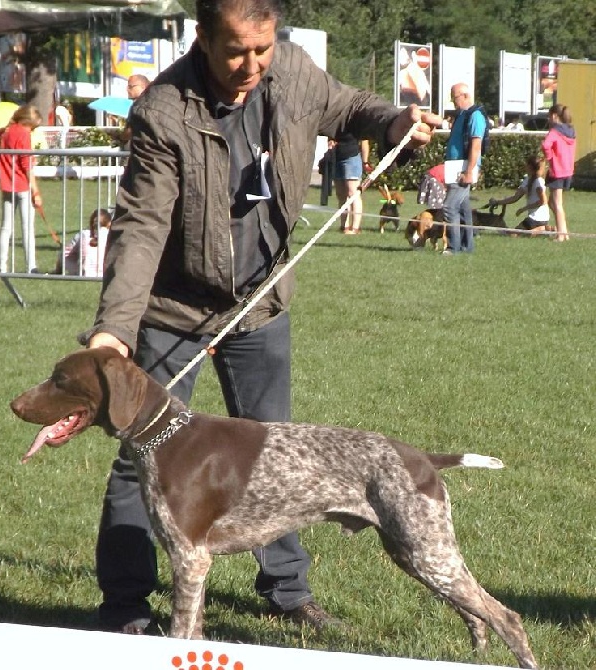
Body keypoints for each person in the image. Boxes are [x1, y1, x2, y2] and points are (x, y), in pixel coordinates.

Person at [80, 0, 439, 636]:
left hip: (260, 303)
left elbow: (352, 106)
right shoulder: (164, 110)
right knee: (143, 453)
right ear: (202, 39)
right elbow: (138, 229)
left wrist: (394, 121)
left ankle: (287, 590)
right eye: (236, 50)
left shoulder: (294, 72)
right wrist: (115, 329)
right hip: (173, 309)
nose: (251, 64)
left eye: (262, 49)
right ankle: (127, 604)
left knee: (277, 452)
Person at [0, 104, 43, 273]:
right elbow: (26, 164)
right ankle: (31, 266)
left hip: (7, 184)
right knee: (27, 227)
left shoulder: (5, 132)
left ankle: (1, 266)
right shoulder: (23, 134)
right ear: (27, 122)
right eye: (33, 127)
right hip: (22, 185)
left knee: (5, 227)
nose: (32, 130)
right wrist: (35, 191)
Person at [442, 82, 486, 254]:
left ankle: (453, 248)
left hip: (464, 168)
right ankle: (467, 247)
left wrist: (469, 172)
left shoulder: (475, 116)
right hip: (455, 166)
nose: (453, 102)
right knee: (462, 209)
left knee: (449, 207)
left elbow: (476, 145)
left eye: (455, 98)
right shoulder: (462, 115)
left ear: (465, 96)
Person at [489, 155, 550, 236]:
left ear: (530, 167)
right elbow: (515, 198)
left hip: (537, 218)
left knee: (513, 235)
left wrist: (524, 209)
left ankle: (543, 229)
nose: (525, 166)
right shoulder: (527, 180)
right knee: (513, 234)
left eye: (527, 164)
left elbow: (543, 201)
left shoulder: (538, 182)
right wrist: (497, 202)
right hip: (534, 218)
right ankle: (541, 230)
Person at [541, 103, 575, 242]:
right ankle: (564, 230)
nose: (549, 120)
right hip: (568, 171)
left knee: (557, 204)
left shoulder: (554, 132)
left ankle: (561, 235)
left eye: (549, 117)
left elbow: (545, 145)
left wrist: (549, 157)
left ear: (554, 116)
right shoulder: (571, 131)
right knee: (551, 202)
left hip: (557, 171)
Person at [330, 134, 370, 234]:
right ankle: (344, 226)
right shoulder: (336, 122)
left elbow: (364, 142)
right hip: (336, 158)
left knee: (353, 193)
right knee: (341, 194)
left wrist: (365, 162)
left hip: (351, 158)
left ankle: (355, 228)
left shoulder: (356, 122)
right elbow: (330, 138)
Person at [56, 208, 112, 277]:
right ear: (109, 223)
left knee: (62, 253)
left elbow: (65, 253)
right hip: (107, 273)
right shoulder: (112, 236)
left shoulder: (83, 234)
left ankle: (57, 272)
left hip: (84, 273)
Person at [120, 74, 151, 147]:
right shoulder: (157, 102)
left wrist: (120, 137)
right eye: (128, 87)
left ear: (143, 87)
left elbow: (129, 132)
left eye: (131, 87)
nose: (127, 90)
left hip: (142, 152)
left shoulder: (137, 106)